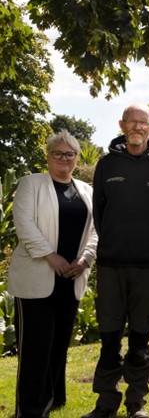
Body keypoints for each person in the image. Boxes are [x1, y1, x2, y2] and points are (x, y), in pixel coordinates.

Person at [83, 104, 149, 418]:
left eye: (143, 122)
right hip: (111, 265)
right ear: (122, 125)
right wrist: (113, 242)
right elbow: (99, 213)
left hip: (148, 266)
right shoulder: (106, 164)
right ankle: (105, 404)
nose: (137, 127)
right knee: (109, 340)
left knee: (140, 343)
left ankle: (136, 405)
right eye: (132, 122)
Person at [8, 130, 98, 417]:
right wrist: (51, 256)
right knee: (36, 346)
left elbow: (97, 230)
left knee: (59, 344)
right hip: (37, 278)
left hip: (71, 278)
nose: (63, 159)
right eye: (57, 153)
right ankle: (31, 408)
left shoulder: (87, 191)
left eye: (69, 154)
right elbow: (24, 225)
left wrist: (85, 259)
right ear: (47, 156)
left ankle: (54, 399)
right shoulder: (30, 184)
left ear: (77, 157)